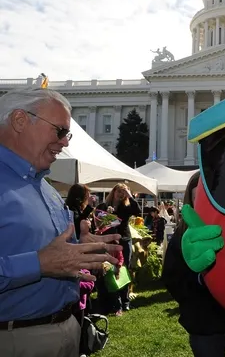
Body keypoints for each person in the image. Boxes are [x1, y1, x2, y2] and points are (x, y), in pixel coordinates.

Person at [0, 87, 121, 357]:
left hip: (68, 329)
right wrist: (39, 264)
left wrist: (82, 247)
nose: (65, 143)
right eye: (60, 131)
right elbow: (45, 258)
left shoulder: (48, 188)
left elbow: (56, 252)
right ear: (20, 120)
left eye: (68, 134)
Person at [162, 172, 225, 357]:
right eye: (198, 196)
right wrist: (199, 277)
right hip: (204, 323)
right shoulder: (182, 237)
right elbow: (172, 278)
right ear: (190, 199)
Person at [97, 183, 141, 311]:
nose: (121, 194)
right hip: (108, 241)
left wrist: (130, 195)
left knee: (123, 269)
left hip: (123, 240)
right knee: (107, 268)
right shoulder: (103, 206)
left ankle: (124, 300)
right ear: (113, 192)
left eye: (124, 192)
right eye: (119, 191)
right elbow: (98, 222)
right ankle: (110, 298)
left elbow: (137, 211)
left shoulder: (126, 207)